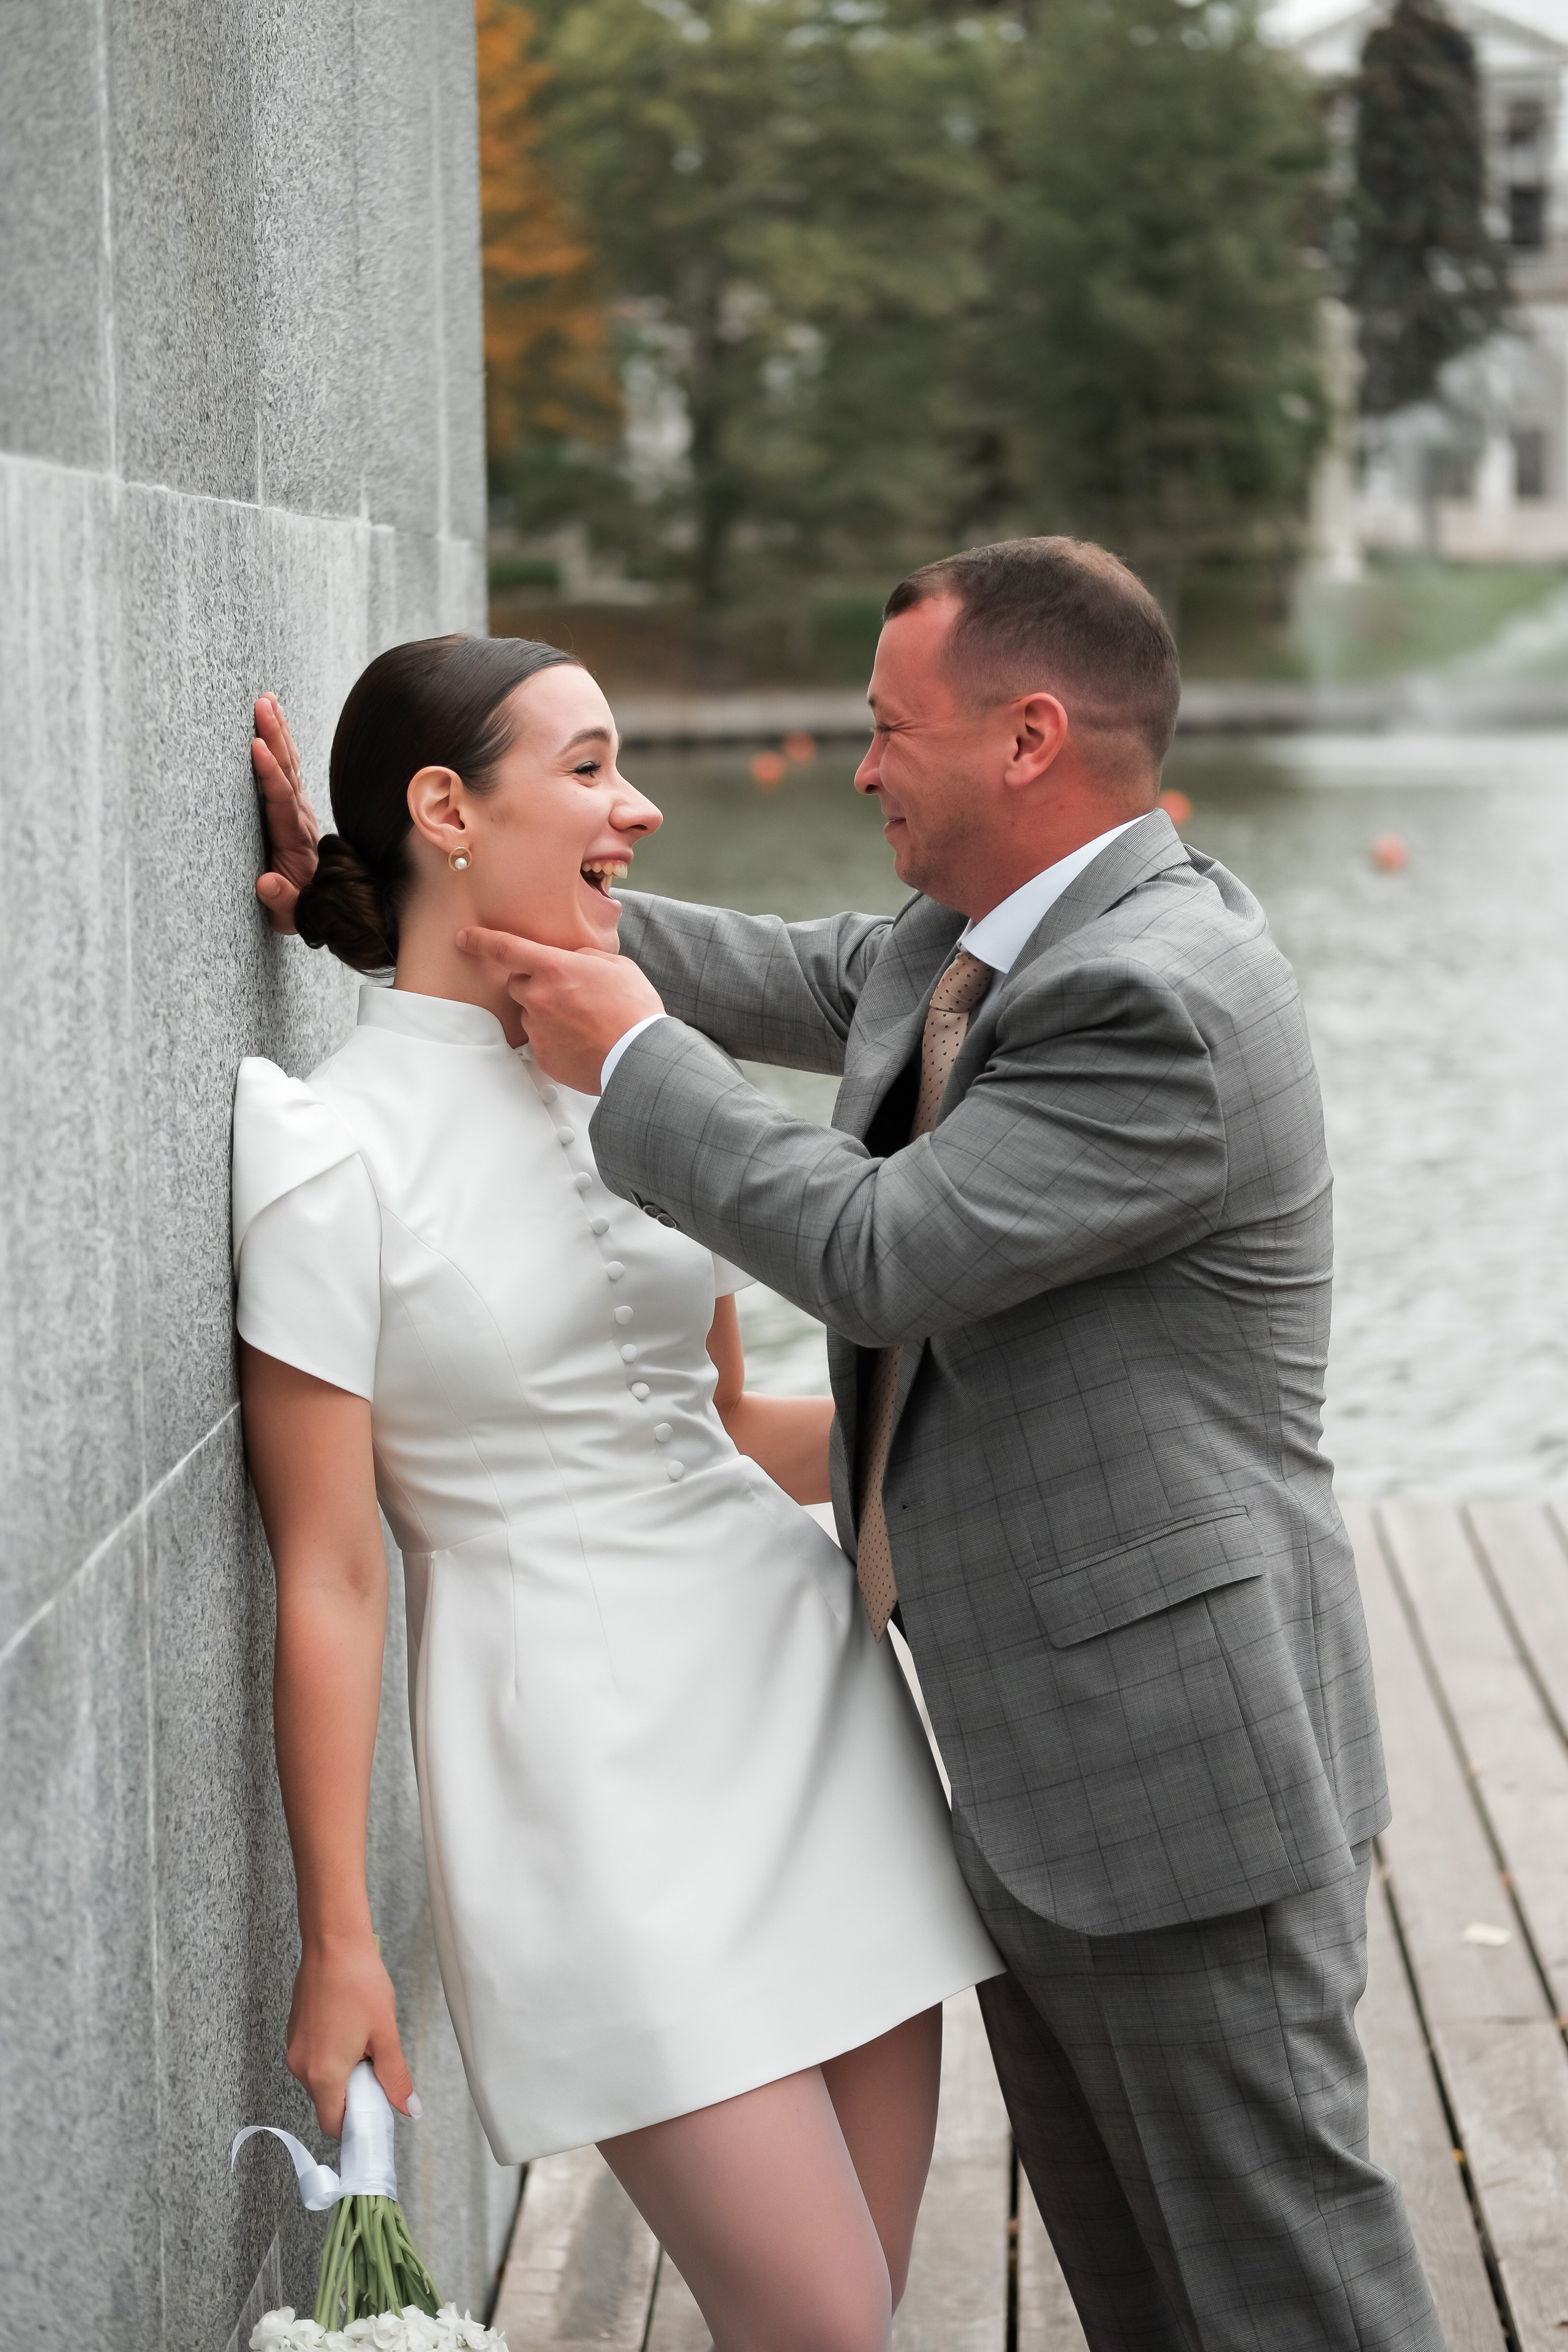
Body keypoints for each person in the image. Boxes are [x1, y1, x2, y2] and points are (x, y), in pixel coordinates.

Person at [407, 535, 1444, 2352]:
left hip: (1178, 1775)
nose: (864, 763)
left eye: (893, 730)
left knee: (1291, 2299)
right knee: (1143, 2292)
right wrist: (407, 882)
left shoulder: (1160, 1002)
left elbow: (879, 1249)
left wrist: (634, 1064)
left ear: (1029, 737)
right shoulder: (976, 945)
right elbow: (766, 968)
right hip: (1044, 1775)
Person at [235, 633, 1001, 2352]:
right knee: (819, 2319)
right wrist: (341, 1934)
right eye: (589, 767)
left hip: (809, 1713)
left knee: (850, 2322)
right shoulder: (322, 1148)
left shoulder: (632, 1072)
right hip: (582, 1775)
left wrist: (1010, 1453)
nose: (635, 806)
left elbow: (725, 1423)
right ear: (444, 807)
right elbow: (333, 1573)